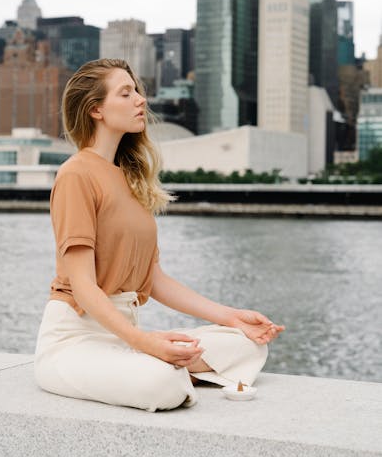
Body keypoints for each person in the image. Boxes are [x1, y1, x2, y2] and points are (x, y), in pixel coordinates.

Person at [34, 58, 285, 411]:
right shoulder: (75, 175)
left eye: (137, 90)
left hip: (125, 338)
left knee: (248, 343)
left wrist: (231, 317)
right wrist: (146, 342)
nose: (140, 100)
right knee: (161, 383)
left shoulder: (128, 178)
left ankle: (150, 363)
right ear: (96, 110)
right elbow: (84, 288)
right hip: (75, 340)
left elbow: (153, 279)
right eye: (126, 93)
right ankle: (160, 367)